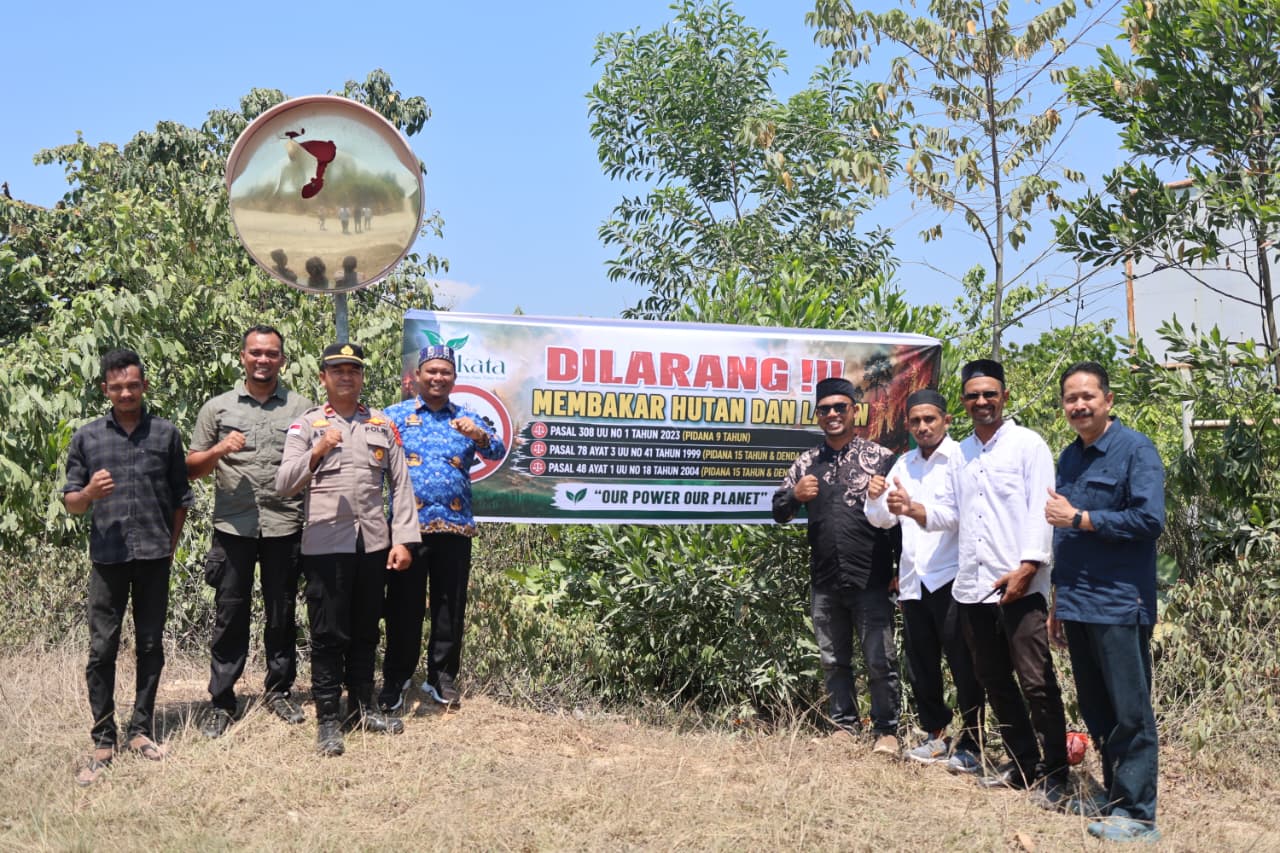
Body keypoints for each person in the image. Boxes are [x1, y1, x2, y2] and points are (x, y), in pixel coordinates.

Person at [886, 359, 1069, 800]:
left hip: (1019, 583)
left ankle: (1056, 773)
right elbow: (952, 515)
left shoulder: (1029, 445)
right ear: (964, 402)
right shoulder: (961, 454)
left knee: (1036, 681)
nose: (982, 402)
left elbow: (1042, 511)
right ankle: (1022, 764)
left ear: (1004, 396)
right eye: (973, 396)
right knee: (994, 679)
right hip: (972, 587)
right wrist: (913, 510)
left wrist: (1029, 568)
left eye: (989, 394)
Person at [276, 342, 421, 756]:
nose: (346, 377)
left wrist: (403, 539)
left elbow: (401, 485)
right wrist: (318, 451)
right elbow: (284, 484)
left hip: (372, 544)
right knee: (328, 633)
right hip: (325, 545)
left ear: (361, 377)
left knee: (365, 629)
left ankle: (361, 708)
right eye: (337, 370)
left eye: (353, 370)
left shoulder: (381, 424)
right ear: (323, 377)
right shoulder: (307, 425)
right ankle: (327, 719)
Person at [62, 348, 194, 786]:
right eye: (117, 387)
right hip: (108, 558)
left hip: (155, 558)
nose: (125, 393)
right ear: (105, 389)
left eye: (133, 385)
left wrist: (170, 545)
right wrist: (88, 495)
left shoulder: (166, 434)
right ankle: (104, 738)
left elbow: (181, 497)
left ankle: (140, 730)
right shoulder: (87, 438)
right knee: (102, 650)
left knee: (151, 646)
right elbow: (72, 502)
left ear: (144, 386)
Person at [1046, 362, 1165, 843]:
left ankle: (1138, 814)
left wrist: (1082, 518)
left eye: (1087, 396)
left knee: (1129, 710)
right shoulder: (1069, 456)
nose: (1079, 405)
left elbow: (1149, 520)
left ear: (1108, 400)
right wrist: (1058, 599)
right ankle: (1115, 797)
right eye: (1070, 398)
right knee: (1097, 708)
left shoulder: (1136, 450)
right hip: (1077, 600)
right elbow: (1062, 534)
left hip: (1118, 601)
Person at [187, 325, 314, 738]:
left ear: (282, 360)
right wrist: (219, 450)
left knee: (282, 614)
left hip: (285, 525)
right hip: (233, 528)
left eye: (271, 353)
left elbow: (317, 465)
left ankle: (279, 691)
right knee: (230, 615)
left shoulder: (302, 408)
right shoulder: (218, 408)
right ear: (242, 356)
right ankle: (223, 701)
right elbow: (191, 468)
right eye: (256, 352)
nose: (263, 359)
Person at [772, 376, 901, 754]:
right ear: (817, 415)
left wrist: (900, 569)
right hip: (825, 579)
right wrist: (795, 496)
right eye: (824, 409)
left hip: (872, 578)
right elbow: (778, 511)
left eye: (839, 407)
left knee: (880, 659)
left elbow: (898, 519)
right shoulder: (807, 463)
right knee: (833, 660)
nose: (832, 414)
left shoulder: (881, 459)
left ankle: (886, 730)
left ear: (854, 411)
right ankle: (843, 726)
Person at [379, 345, 506, 712]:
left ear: (454, 378)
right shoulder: (394, 416)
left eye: (445, 372)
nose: (438, 378)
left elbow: (497, 451)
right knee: (402, 606)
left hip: (455, 528)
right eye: (431, 371)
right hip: (407, 530)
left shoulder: (468, 417)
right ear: (417, 376)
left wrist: (479, 435)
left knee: (450, 607)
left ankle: (441, 678)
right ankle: (397, 677)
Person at [865, 389, 986, 771]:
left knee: (964, 664)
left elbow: (963, 516)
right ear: (908, 424)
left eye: (930, 419)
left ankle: (973, 742)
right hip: (914, 580)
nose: (923, 427)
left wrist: (916, 510)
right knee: (921, 664)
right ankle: (936, 736)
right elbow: (882, 519)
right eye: (915, 421)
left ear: (946, 420)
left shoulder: (963, 459)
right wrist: (875, 497)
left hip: (953, 577)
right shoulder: (903, 464)